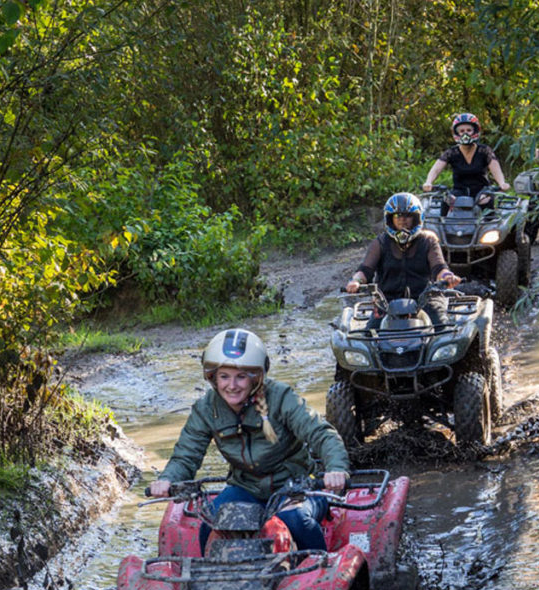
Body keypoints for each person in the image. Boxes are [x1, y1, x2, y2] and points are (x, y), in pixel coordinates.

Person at [148, 328, 350, 552]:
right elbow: (186, 455)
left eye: (241, 376)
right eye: (224, 376)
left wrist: (336, 468)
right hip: (246, 488)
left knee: (295, 520)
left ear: (256, 377)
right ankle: (212, 579)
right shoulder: (206, 409)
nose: (231, 385)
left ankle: (319, 568)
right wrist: (167, 479)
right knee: (211, 525)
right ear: (212, 378)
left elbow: (321, 434)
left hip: (297, 486)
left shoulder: (281, 397)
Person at [344, 192, 461, 327]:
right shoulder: (380, 243)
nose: (402, 219)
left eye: (407, 215)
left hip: (425, 299)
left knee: (442, 328)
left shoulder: (428, 241)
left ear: (417, 218)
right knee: (369, 333)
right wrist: (355, 281)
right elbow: (365, 269)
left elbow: (439, 267)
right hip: (386, 302)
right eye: (397, 216)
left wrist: (448, 277)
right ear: (390, 219)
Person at [422, 112, 511, 203]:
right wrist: (428, 182)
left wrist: (502, 183)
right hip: (459, 191)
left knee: (484, 200)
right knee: (447, 200)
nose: (465, 134)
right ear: (457, 133)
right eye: (462, 131)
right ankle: (444, 217)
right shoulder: (451, 152)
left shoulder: (484, 151)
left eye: (469, 130)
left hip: (482, 192)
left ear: (475, 131)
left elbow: (495, 169)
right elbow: (436, 169)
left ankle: (489, 217)